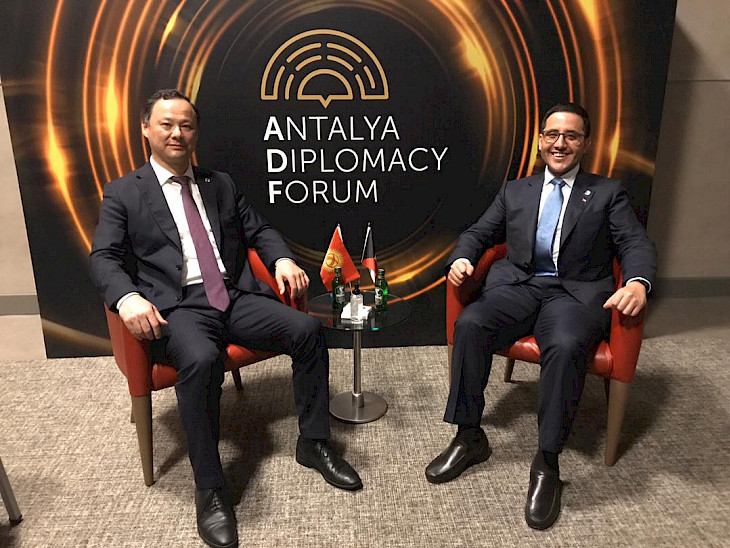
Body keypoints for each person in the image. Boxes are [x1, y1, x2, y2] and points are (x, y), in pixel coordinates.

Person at [90, 89, 362, 548]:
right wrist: (127, 298)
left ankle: (313, 443)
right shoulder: (124, 192)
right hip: (177, 307)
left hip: (233, 295)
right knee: (200, 360)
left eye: (186, 125)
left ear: (196, 132)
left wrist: (280, 260)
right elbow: (104, 258)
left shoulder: (220, 184)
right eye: (166, 124)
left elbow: (260, 230)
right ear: (146, 129)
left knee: (308, 330)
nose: (177, 133)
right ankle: (211, 487)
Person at [425, 103, 656, 529]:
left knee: (565, 346)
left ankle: (547, 462)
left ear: (585, 143)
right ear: (540, 141)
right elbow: (479, 232)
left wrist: (638, 282)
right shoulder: (516, 190)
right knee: (470, 324)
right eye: (552, 134)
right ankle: (469, 435)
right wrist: (462, 258)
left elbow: (635, 243)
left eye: (571, 135)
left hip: (574, 295)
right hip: (519, 287)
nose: (560, 143)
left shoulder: (607, 192)